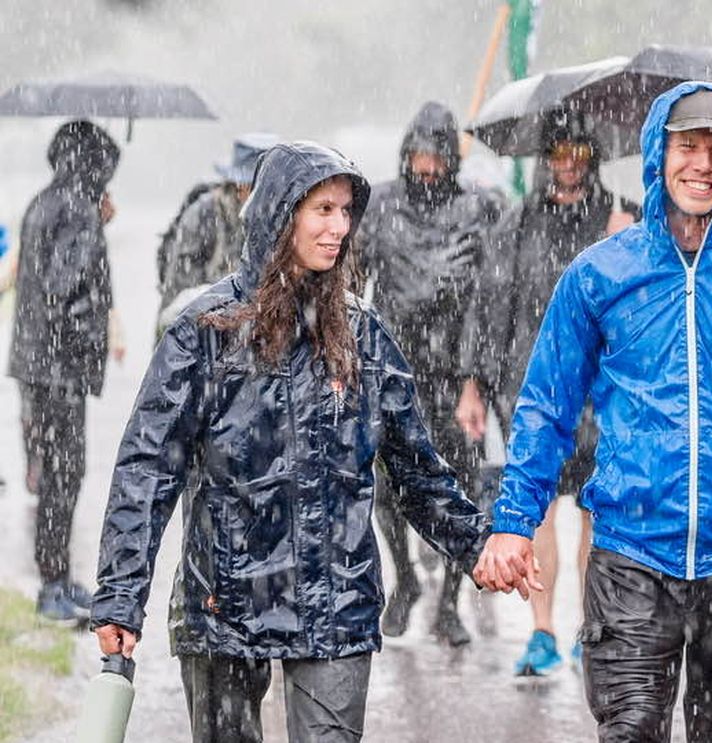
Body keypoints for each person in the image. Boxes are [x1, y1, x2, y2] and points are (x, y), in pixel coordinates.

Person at [474, 82, 712, 743]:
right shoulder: (601, 273)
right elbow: (545, 405)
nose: (704, 165)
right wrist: (514, 519)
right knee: (629, 730)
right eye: (689, 146)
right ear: (659, 153)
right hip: (629, 551)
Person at [89, 141, 489, 743]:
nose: (340, 227)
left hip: (337, 600)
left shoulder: (362, 337)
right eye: (322, 209)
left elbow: (416, 468)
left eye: (346, 211)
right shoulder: (205, 332)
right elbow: (147, 469)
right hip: (224, 601)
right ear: (280, 213)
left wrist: (477, 545)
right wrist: (121, 597)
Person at [456, 109, 634, 676]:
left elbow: (642, 306)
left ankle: (588, 624)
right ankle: (541, 629)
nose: (567, 165)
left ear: (592, 159)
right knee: (537, 509)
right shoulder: (517, 223)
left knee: (592, 511)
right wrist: (473, 386)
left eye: (577, 154)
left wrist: (624, 244)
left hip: (603, 386)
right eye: (557, 154)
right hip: (530, 385)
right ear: (544, 161)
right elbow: (489, 305)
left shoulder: (621, 219)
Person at [356, 101, 504, 645]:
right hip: (393, 367)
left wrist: (475, 381)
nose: (425, 166)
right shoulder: (380, 207)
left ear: (449, 158)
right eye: (417, 154)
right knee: (385, 487)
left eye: (435, 155)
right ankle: (406, 582)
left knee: (459, 492)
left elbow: (487, 303)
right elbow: (355, 284)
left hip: (454, 371)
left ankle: (449, 602)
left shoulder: (476, 211)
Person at [8, 120, 124, 624]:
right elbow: (66, 288)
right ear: (95, 163)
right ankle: (52, 585)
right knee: (64, 475)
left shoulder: (44, 201)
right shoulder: (78, 210)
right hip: (59, 368)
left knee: (54, 472)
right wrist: (89, 337)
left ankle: (57, 575)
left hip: (35, 362)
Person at [156, 132, 279, 325]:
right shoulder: (203, 216)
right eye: (260, 186)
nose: (269, 195)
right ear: (239, 185)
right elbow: (180, 294)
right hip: (205, 327)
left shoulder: (282, 218)